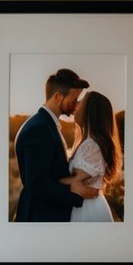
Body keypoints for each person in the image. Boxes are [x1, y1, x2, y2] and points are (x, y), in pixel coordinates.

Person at [14, 69, 99, 222]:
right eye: (73, 100)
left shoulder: (46, 124)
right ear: (58, 96)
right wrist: (73, 191)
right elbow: (36, 183)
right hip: (39, 217)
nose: (75, 106)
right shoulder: (39, 128)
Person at [64, 91, 121, 223]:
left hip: (88, 211)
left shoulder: (93, 146)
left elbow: (77, 184)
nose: (76, 105)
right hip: (82, 206)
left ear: (91, 111)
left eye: (81, 102)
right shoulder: (86, 142)